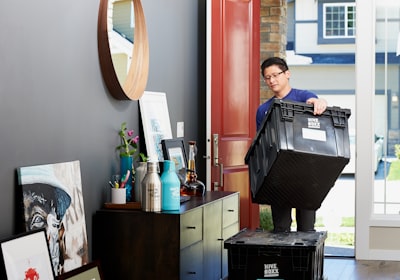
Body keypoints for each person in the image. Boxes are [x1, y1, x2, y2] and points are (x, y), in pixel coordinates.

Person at [256, 57, 327, 233]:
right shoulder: (263, 109)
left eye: (275, 75)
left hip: (307, 175)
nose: (271, 80)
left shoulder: (302, 96)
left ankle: (305, 262)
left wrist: (319, 102)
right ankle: (285, 261)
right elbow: (261, 144)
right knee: (280, 229)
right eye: (267, 77)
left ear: (287, 74)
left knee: (307, 229)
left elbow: (315, 101)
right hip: (278, 177)